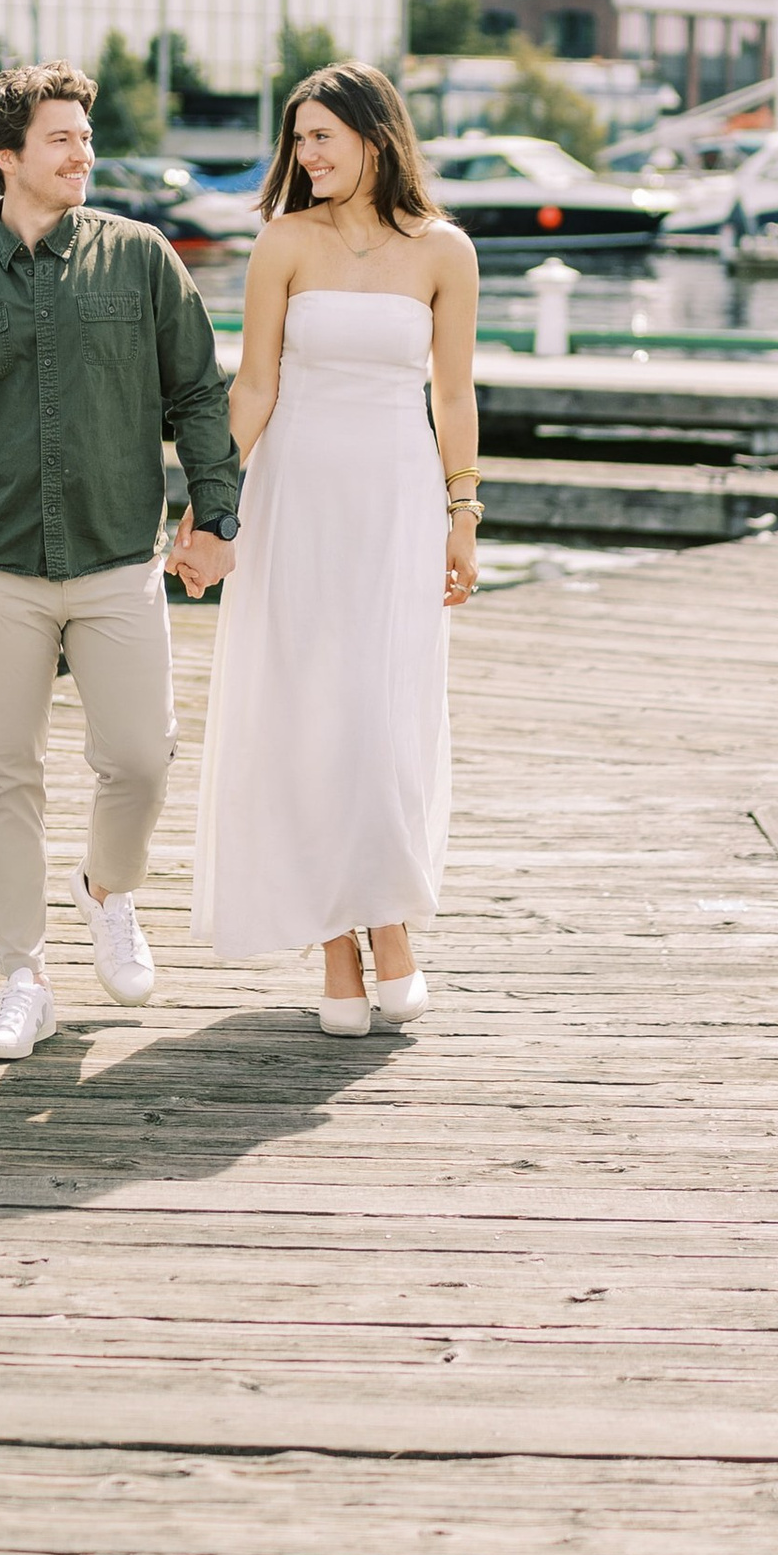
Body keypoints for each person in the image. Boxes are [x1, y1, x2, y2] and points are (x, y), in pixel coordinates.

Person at [0, 61, 242, 1061]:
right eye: (60, 139)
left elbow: (197, 394)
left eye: (85, 136)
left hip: (118, 556)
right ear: (7, 157)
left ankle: (107, 890)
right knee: (3, 776)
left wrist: (216, 513)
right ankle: (23, 979)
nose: (83, 154)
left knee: (141, 759)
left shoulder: (141, 259)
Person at [189, 61, 478, 1034]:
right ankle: (333, 945)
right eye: (298, 139)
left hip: (396, 501)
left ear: (374, 135)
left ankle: (389, 920)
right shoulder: (283, 241)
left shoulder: (444, 251)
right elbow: (254, 387)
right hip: (296, 500)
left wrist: (464, 512)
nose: (305, 155)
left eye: (322, 136)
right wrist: (210, 502)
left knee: (382, 712)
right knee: (308, 710)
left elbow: (453, 394)